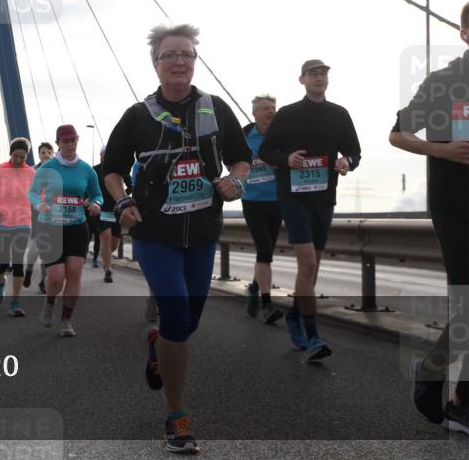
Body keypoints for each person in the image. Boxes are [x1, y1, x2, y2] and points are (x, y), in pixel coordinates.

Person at [104, 24, 250, 454]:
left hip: (203, 233)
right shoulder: (137, 116)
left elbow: (242, 158)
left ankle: (157, 346)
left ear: (195, 61)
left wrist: (235, 181)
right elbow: (110, 168)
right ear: (156, 64)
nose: (180, 61)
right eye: (171, 55)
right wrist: (122, 201)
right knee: (176, 317)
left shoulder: (217, 109)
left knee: (185, 324)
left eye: (187, 54)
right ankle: (176, 415)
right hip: (155, 234)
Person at [391, 1, 468, 433]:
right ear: (464, 33)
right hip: (457, 206)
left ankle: (459, 401)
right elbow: (398, 133)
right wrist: (441, 149)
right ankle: (434, 370)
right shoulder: (445, 82)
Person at [259, 59, 361, 362]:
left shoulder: (339, 114)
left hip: (324, 197)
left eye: (324, 74)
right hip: (293, 197)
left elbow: (354, 151)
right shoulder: (288, 114)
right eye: (313, 74)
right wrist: (286, 159)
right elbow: (265, 151)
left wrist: (347, 162)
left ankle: (295, 316)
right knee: (307, 263)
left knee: (312, 267)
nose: (319, 78)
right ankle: (314, 336)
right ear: (301, 79)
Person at [30, 125, 103, 337]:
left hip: (77, 226)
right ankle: (50, 302)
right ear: (58, 143)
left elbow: (97, 194)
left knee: (73, 274)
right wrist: (38, 204)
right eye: (65, 141)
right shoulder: (47, 168)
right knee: (55, 277)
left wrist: (96, 204)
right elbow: (33, 193)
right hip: (50, 226)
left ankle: (66, 320)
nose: (70, 145)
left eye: (73, 140)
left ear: (77, 141)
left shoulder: (86, 169)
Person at [0, 138, 36, 316]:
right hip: (1, 222)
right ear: (10, 154)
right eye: (15, 156)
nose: (19, 160)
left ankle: (15, 302)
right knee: (4, 261)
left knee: (18, 261)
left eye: (23, 157)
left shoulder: (31, 173)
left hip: (23, 222)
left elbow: (39, 194)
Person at [241, 95, 284, 324]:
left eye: (273, 108)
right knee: (265, 249)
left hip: (277, 201)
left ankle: (254, 288)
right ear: (255, 113)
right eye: (266, 109)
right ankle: (267, 304)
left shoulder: (281, 136)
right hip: (253, 201)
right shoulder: (244, 136)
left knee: (265, 253)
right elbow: (231, 163)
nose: (271, 112)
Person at [23, 141, 55, 291]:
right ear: (39, 155)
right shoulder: (31, 171)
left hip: (53, 213)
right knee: (34, 249)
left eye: (49, 152)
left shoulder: (59, 171)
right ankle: (29, 270)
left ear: (53, 154)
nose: (46, 154)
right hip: (36, 212)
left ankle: (43, 281)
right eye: (43, 152)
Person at [91, 146, 121, 283]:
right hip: (100, 209)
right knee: (106, 237)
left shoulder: (117, 169)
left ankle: (105, 259)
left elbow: (129, 182)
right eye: (105, 154)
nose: (107, 156)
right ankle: (108, 269)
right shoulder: (94, 170)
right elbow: (86, 186)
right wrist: (88, 198)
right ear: (101, 155)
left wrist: (127, 196)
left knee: (114, 243)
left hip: (115, 210)